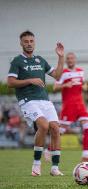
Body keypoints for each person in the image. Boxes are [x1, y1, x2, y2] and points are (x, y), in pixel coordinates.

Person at [7, 30, 65, 176]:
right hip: (28, 101)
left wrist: (61, 57)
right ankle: (36, 165)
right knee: (44, 125)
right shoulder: (17, 61)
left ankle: (54, 168)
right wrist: (30, 80)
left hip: (45, 100)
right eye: (26, 41)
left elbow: (57, 75)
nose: (29, 44)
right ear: (21, 43)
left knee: (55, 129)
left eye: (31, 41)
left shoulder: (40, 60)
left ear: (34, 42)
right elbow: (10, 82)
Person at [45, 52, 88, 162]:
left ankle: (85, 154)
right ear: (66, 61)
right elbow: (55, 87)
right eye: (68, 59)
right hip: (69, 105)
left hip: (80, 104)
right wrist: (65, 85)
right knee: (60, 131)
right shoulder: (63, 72)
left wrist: (84, 87)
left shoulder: (80, 71)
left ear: (75, 60)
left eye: (71, 58)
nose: (70, 60)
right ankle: (49, 150)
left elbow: (84, 84)